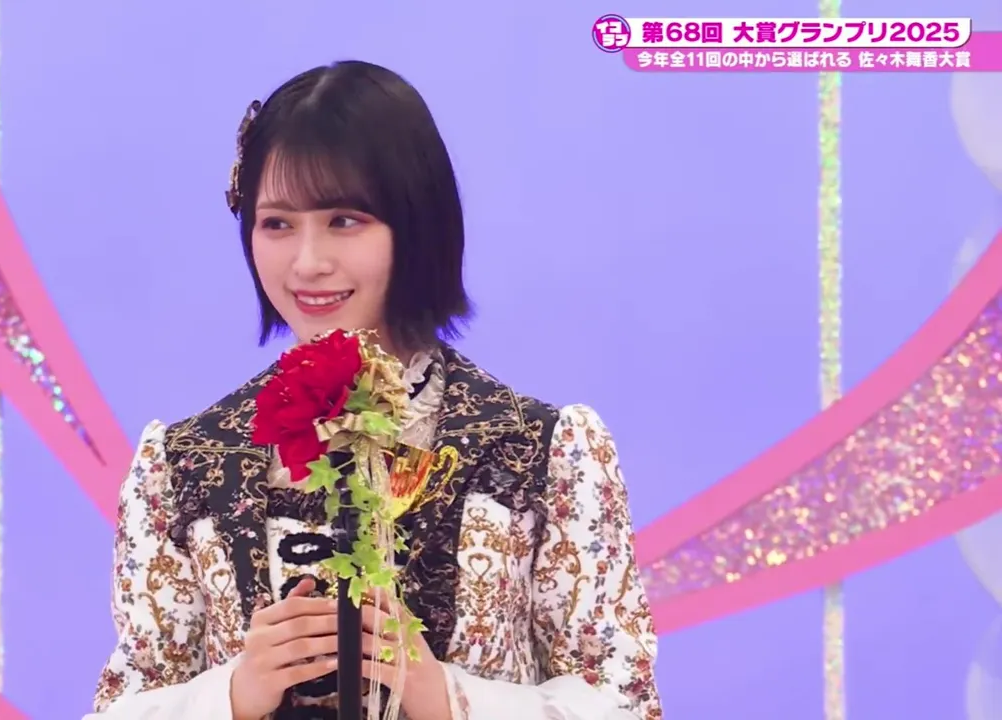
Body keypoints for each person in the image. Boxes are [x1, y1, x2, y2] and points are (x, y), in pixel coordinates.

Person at [86, 60, 662, 720]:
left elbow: (625, 701)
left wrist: (445, 697)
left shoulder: (538, 449)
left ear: (418, 224)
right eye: (277, 224)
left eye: (344, 220)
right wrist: (233, 695)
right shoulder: (184, 462)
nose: (308, 262)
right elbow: (126, 700)